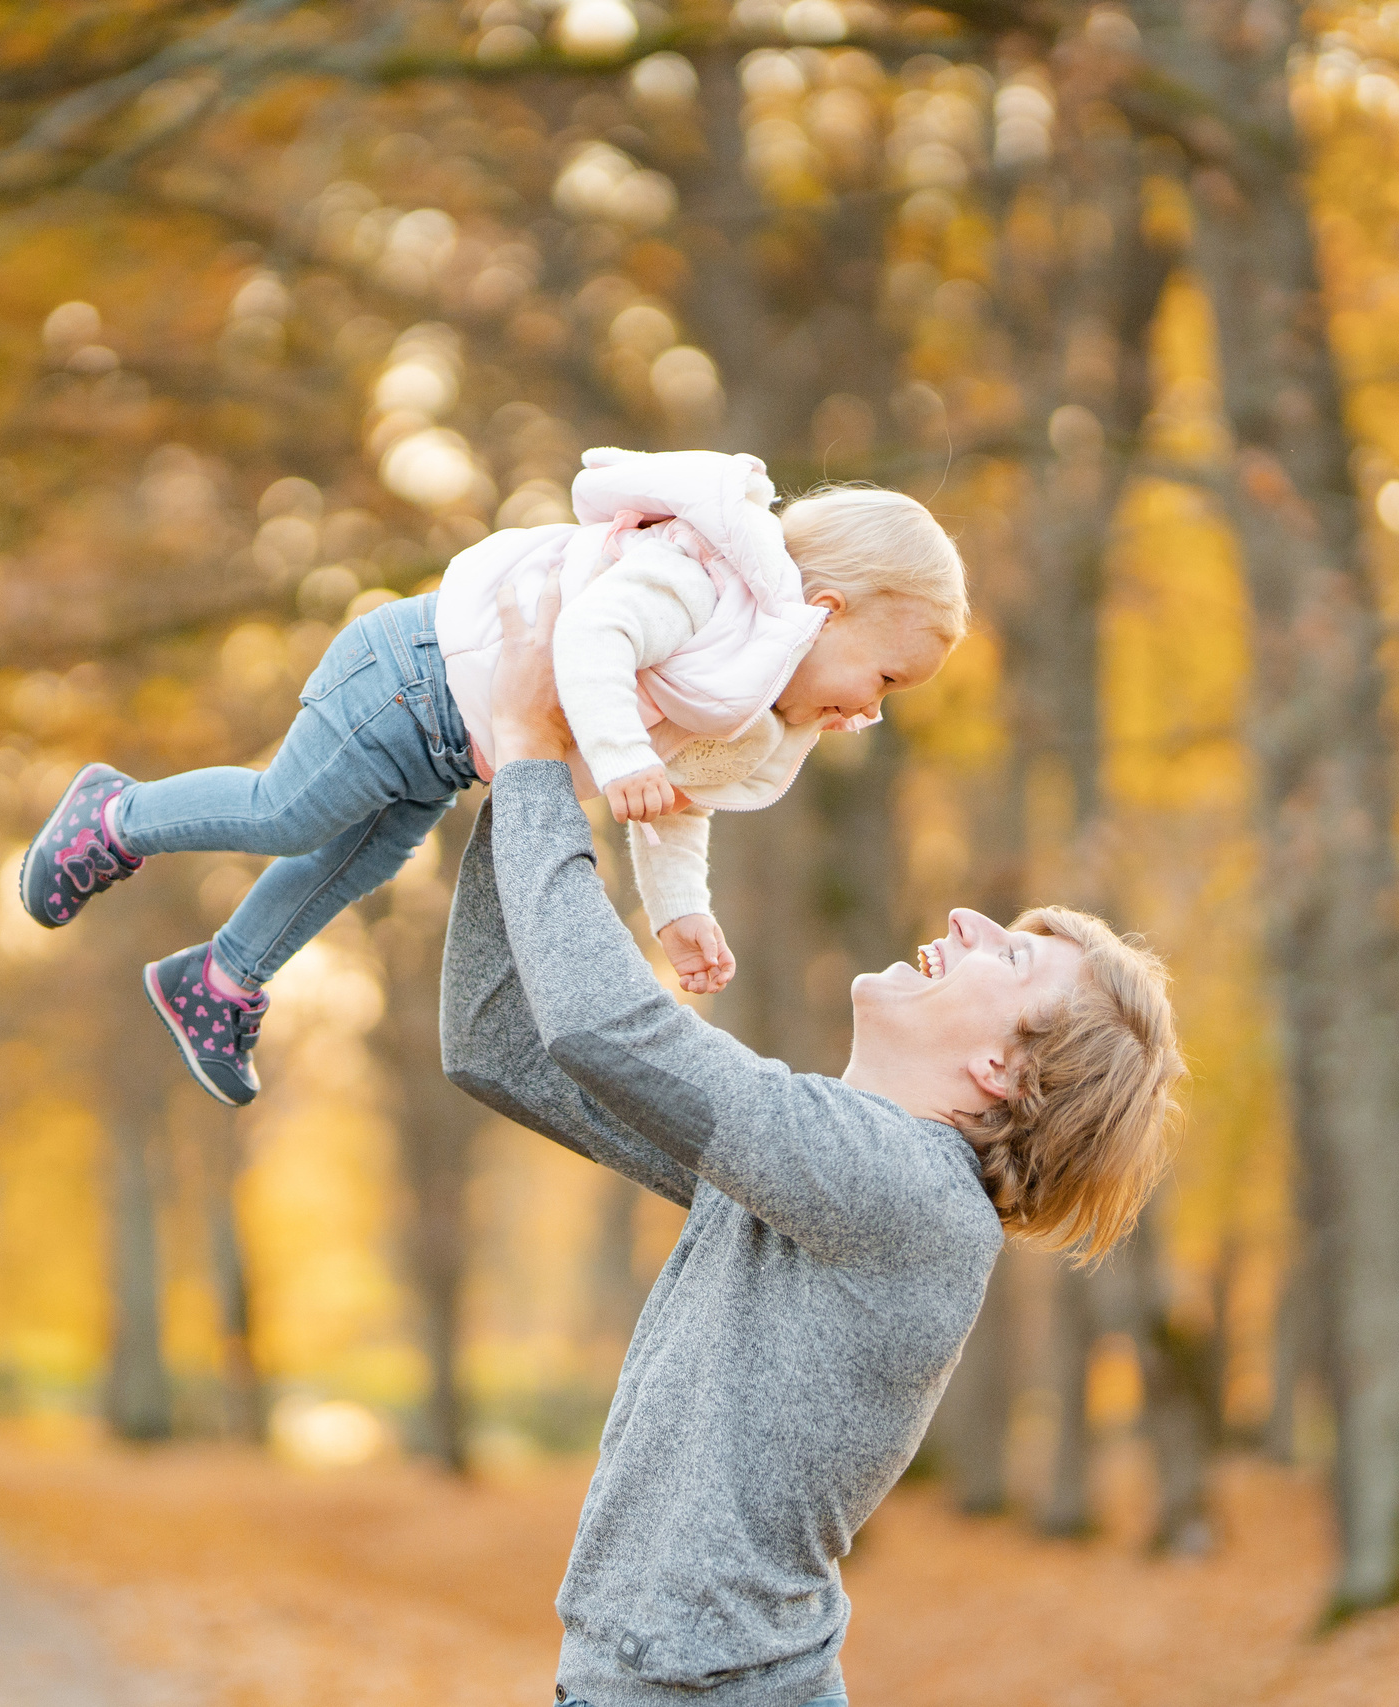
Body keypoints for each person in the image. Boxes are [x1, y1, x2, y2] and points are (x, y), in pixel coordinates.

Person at [444, 580, 1184, 1707]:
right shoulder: (808, 1174)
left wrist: (542, 750)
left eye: (1014, 958)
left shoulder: (898, 1193)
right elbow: (498, 1035)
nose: (966, 923)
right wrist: (514, 760)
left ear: (1004, 1072)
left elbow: (604, 1023)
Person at [14, 447, 966, 1107]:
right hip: (414, 673)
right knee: (290, 811)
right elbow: (594, 635)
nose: (872, 713)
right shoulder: (702, 587)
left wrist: (679, 911)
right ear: (827, 610)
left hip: (448, 744)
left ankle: (220, 979)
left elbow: (677, 803)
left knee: (358, 861)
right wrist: (623, 756)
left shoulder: (749, 704)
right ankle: (114, 815)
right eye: (884, 679)